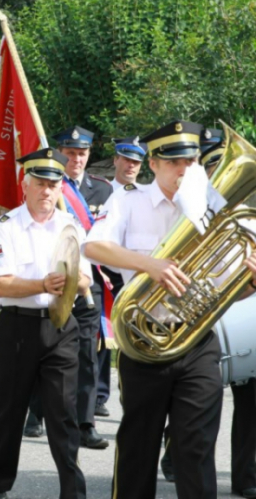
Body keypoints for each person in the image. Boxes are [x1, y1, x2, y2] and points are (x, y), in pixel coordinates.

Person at [82, 119, 256, 498]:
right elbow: (93, 247)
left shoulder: (216, 209)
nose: (184, 170)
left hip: (198, 342)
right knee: (138, 446)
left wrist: (252, 282)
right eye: (174, 162)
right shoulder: (129, 200)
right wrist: (150, 265)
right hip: (144, 344)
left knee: (195, 446)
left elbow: (228, 291)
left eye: (191, 161)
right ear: (154, 164)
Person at [0, 147, 89, 499]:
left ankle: (73, 491)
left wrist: (75, 280)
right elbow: (2, 284)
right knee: (10, 410)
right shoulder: (6, 226)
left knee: (64, 413)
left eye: (53, 185)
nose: (46, 191)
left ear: (61, 188)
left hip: (61, 328)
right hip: (18, 327)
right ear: (23, 184)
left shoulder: (70, 226)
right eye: (40, 183)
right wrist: (43, 284)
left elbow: (86, 279)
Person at [157, 127, 256, 499]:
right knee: (185, 402)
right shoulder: (192, 206)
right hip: (190, 318)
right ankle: (174, 455)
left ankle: (246, 475)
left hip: (240, 313)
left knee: (248, 399)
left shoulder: (249, 216)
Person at [25, 125, 109, 449]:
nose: (76, 158)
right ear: (61, 153)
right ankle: (36, 413)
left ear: (89, 155)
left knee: (87, 356)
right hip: (49, 282)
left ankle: (85, 423)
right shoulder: (49, 184)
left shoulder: (102, 191)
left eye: (82, 153)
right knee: (40, 350)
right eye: (70, 153)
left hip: (89, 288)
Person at [94, 137, 145, 417]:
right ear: (115, 160)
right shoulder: (102, 193)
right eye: (126, 160)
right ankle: (99, 395)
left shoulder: (145, 196)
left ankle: (131, 398)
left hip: (132, 275)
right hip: (103, 272)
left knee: (130, 340)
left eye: (136, 162)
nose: (130, 166)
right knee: (102, 335)